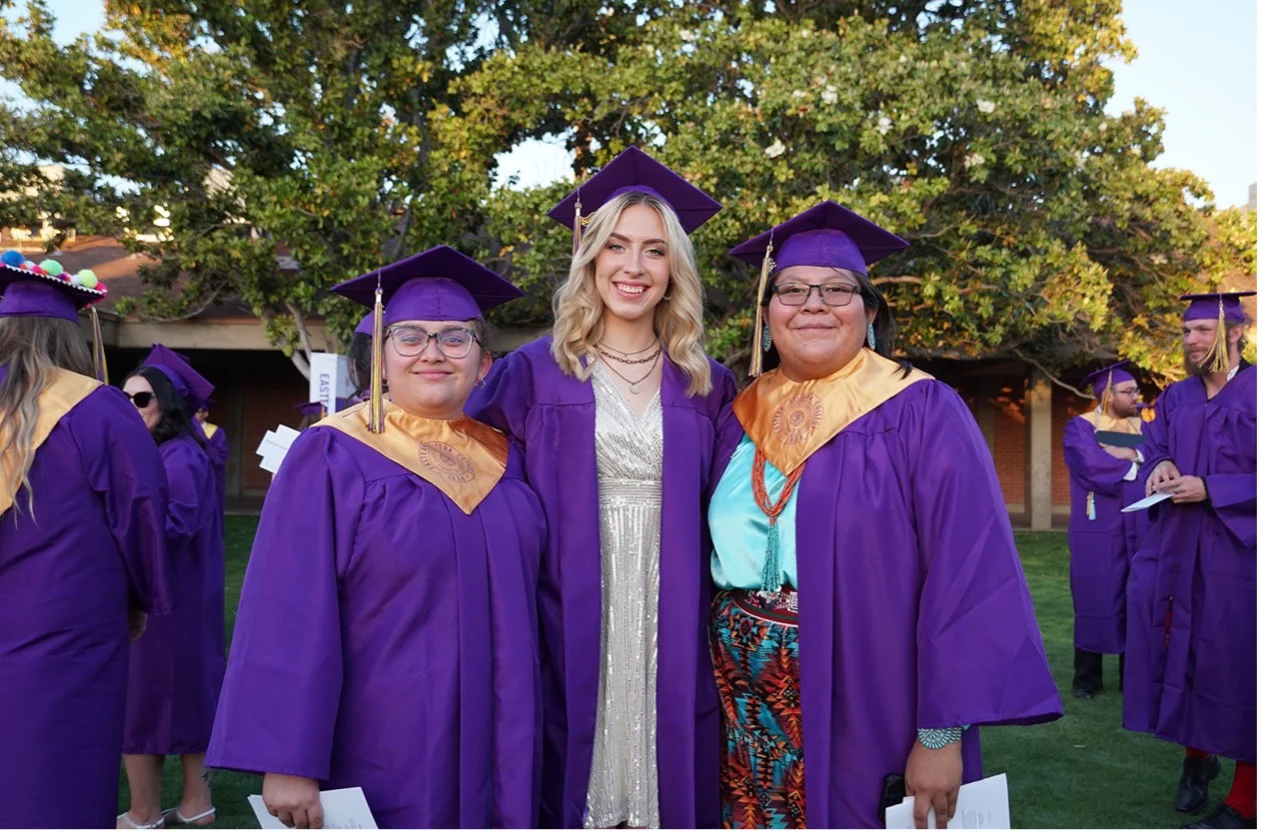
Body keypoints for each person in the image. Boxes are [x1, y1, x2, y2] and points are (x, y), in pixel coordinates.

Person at [709, 202, 1063, 829]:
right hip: (742, 695)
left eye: (837, 289)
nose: (812, 304)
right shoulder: (735, 418)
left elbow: (969, 573)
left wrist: (939, 734)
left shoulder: (922, 410)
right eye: (791, 289)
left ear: (870, 312)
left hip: (866, 684)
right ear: (766, 315)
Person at [207, 246, 547, 829]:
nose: (433, 353)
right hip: (386, 740)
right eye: (410, 336)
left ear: (484, 362)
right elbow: (289, 611)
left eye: (455, 338)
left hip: (503, 733)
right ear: (381, 357)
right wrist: (288, 760)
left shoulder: (509, 457)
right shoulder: (332, 454)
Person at [469, 146, 735, 829]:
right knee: (570, 735)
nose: (633, 267)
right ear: (589, 258)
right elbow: (481, 499)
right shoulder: (532, 373)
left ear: (673, 266)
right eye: (615, 246)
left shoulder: (706, 380)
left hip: (673, 596)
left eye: (653, 250)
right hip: (564, 597)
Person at [0, 259, 171, 829]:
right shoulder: (100, 412)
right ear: (72, 335)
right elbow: (142, 517)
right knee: (55, 784)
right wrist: (143, 598)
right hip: (68, 636)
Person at [1125, 292, 1256, 829]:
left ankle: (1247, 799)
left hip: (1238, 558)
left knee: (1240, 668)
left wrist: (1213, 487)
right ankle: (1196, 762)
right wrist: (1159, 463)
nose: (1193, 340)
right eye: (1186, 332)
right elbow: (1153, 444)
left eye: (1205, 329)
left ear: (1236, 334)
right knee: (1181, 655)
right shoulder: (1176, 397)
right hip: (1179, 553)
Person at [119, 344, 225, 829]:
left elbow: (170, 528)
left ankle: (145, 812)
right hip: (176, 598)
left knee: (144, 701)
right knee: (183, 697)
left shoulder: (179, 457)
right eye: (125, 399)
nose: (131, 408)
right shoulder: (166, 453)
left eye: (141, 400)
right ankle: (192, 805)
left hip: (164, 599)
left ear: (167, 403)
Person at [1062, 362, 1147, 700]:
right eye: (1128, 392)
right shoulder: (1080, 427)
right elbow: (1089, 463)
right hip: (1097, 529)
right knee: (1094, 595)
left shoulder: (1144, 426)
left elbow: (1158, 457)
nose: (1136, 397)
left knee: (1137, 596)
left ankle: (1133, 678)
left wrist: (1130, 453)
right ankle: (1086, 679)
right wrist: (1134, 463)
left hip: (1140, 525)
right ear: (1107, 394)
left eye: (1136, 391)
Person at [195, 400, 228, 513]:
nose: (194, 415)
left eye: (198, 411)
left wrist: (205, 445)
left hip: (212, 474)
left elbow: (221, 455)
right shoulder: (186, 431)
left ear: (205, 414)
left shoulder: (217, 432)